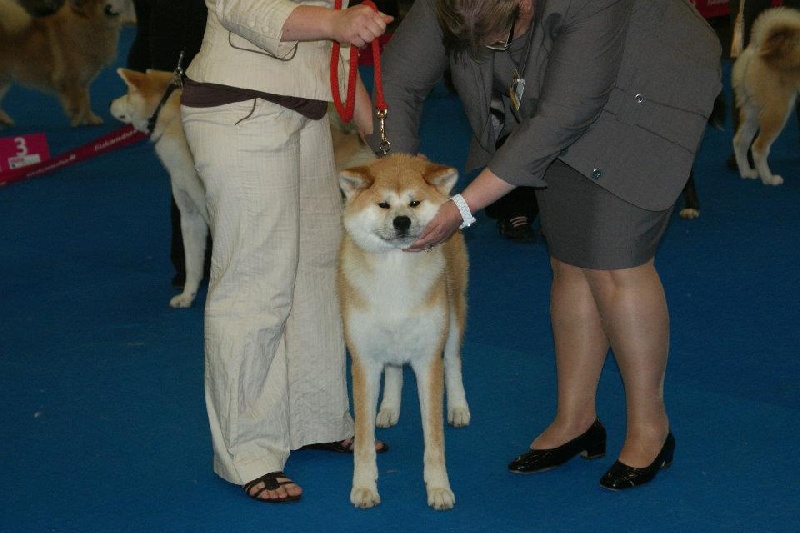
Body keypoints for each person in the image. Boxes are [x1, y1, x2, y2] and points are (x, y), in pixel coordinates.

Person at [365, 0, 720, 490]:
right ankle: (576, 420)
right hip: (554, 83)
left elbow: (563, 117)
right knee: (571, 257)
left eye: (494, 40)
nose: (484, 54)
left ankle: (650, 428)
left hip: (645, 81)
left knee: (616, 260)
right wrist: (399, 183)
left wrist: (463, 208)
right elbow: (400, 82)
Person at [180, 1, 393, 503]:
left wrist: (386, 144)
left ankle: (316, 419)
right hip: (238, 110)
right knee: (255, 282)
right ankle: (247, 450)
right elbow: (237, 5)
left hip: (303, 114)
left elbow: (337, 56)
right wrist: (340, 24)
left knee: (315, 272)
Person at [127, 0, 211, 289]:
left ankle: (191, 264)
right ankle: (195, 261)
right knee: (192, 168)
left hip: (177, 55)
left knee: (188, 171)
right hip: (189, 57)